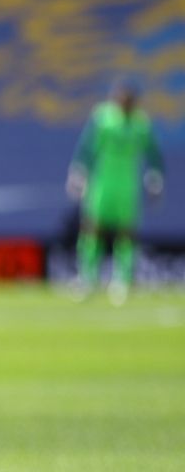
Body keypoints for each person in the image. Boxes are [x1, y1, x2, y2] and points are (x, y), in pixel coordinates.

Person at [67, 78, 166, 305]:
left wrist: (155, 176)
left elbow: (153, 153)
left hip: (127, 186)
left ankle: (122, 281)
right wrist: (79, 172)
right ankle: (87, 278)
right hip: (102, 184)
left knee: (126, 234)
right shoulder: (102, 119)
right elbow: (86, 147)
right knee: (92, 230)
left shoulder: (141, 124)